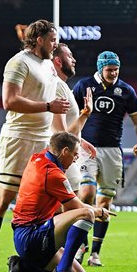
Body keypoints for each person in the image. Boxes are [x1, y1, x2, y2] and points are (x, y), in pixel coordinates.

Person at [0, 19, 71, 272]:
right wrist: (48, 107)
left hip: (43, 141)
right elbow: (9, 100)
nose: (55, 44)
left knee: (55, 207)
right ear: (39, 39)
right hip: (19, 139)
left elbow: (56, 108)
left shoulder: (49, 65)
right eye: (52, 39)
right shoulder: (18, 62)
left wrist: (65, 138)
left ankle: (62, 268)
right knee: (4, 200)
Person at [6, 132, 111, 272]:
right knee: (87, 213)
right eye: (75, 154)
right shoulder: (53, 174)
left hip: (30, 233)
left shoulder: (39, 157)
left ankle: (22, 265)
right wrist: (99, 211)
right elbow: (78, 208)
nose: (76, 159)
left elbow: (62, 136)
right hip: (32, 236)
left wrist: (80, 140)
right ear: (65, 151)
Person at [72, 51, 137, 267]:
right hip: (86, 148)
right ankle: (80, 244)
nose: (113, 73)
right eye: (109, 70)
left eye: (116, 69)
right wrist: (75, 139)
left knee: (105, 202)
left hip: (113, 151)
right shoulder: (83, 86)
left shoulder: (126, 90)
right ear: (100, 68)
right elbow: (70, 114)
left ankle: (95, 252)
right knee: (86, 193)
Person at [50, 43, 96, 192]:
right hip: (60, 155)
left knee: (69, 208)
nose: (74, 60)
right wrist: (85, 115)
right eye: (69, 56)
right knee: (72, 207)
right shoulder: (57, 85)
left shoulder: (60, 85)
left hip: (62, 154)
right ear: (58, 60)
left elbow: (62, 127)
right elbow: (60, 134)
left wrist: (80, 141)